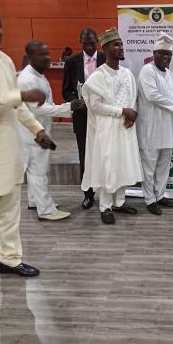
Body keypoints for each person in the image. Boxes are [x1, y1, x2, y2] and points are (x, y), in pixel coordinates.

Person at [0, 0, 55, 277]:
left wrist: (37, 131)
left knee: (9, 214)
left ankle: (11, 259)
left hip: (8, 151)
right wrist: (23, 95)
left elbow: (18, 108)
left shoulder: (3, 60)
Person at [81, 27, 143, 225]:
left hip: (125, 127)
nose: (121, 47)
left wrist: (131, 115)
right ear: (106, 48)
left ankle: (119, 202)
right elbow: (95, 105)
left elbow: (133, 98)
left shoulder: (127, 73)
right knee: (109, 165)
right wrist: (122, 111)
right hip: (107, 128)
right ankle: (105, 206)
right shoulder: (98, 76)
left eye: (121, 44)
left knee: (122, 164)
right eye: (116, 44)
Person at [18, 41, 84, 221]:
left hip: (39, 130)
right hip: (33, 133)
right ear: (31, 57)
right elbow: (38, 109)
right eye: (42, 55)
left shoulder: (38, 75)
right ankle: (46, 210)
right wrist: (68, 107)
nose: (47, 58)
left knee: (36, 169)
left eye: (48, 54)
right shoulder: (27, 79)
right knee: (38, 170)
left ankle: (34, 200)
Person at [137, 32, 173, 215]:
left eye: (168, 54)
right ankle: (149, 199)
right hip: (150, 129)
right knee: (149, 166)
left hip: (166, 129)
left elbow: (169, 100)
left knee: (163, 165)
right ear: (154, 54)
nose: (165, 57)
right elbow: (152, 95)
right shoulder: (147, 70)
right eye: (161, 53)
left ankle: (160, 195)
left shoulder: (169, 75)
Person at [62, 28, 106, 209]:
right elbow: (65, 90)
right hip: (82, 117)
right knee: (84, 156)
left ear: (97, 41)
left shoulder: (105, 59)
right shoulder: (72, 62)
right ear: (80, 42)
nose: (89, 47)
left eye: (92, 43)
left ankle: (106, 193)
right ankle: (88, 194)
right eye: (85, 43)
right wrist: (75, 100)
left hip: (103, 115)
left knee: (104, 154)